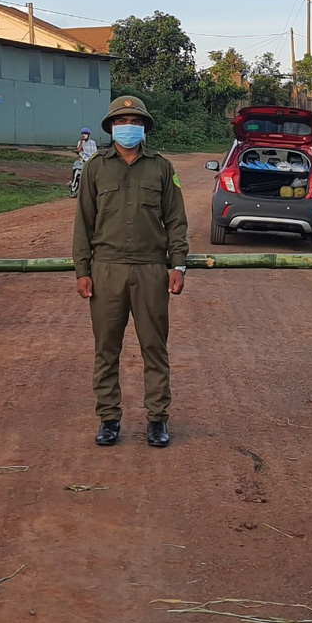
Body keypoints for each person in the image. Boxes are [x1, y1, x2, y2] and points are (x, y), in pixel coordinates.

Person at [73, 95, 187, 449]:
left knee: (155, 347)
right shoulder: (95, 167)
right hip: (106, 269)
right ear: (110, 128)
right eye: (121, 122)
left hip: (151, 268)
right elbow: (84, 223)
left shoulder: (162, 168)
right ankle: (109, 418)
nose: (127, 127)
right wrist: (82, 269)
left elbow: (176, 220)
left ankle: (157, 420)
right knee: (106, 349)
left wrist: (178, 264)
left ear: (144, 128)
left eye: (134, 122)